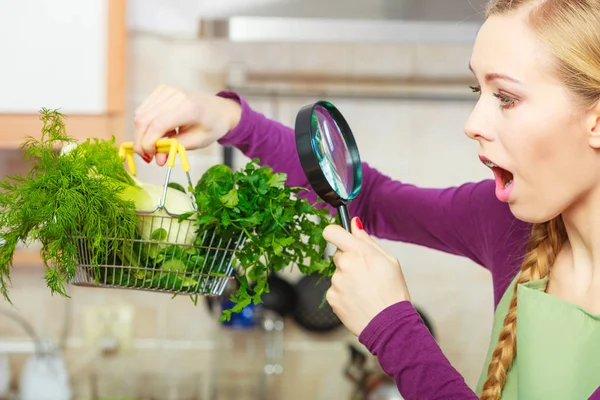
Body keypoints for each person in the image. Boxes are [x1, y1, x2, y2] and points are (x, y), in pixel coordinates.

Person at [131, 0, 600, 398]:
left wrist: (393, 329)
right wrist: (230, 120)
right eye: (479, 90)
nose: (472, 122)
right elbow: (368, 197)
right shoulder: (508, 223)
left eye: (507, 97)